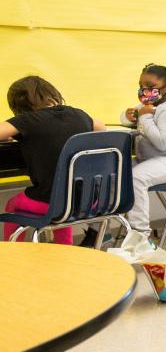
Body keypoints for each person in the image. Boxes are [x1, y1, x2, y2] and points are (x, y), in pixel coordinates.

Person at [1, 76, 105, 243]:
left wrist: (9, 134)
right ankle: (65, 249)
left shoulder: (27, 120)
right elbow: (101, 128)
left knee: (13, 204)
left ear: (19, 105)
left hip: (52, 204)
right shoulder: (79, 114)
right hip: (90, 202)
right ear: (52, 94)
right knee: (64, 192)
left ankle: (13, 254)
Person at [120, 62, 166, 237]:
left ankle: (140, 235)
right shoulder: (145, 108)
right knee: (115, 172)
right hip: (150, 161)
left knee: (136, 178)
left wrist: (144, 118)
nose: (144, 90)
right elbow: (125, 119)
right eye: (141, 86)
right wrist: (128, 116)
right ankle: (103, 228)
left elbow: (162, 143)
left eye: (150, 87)